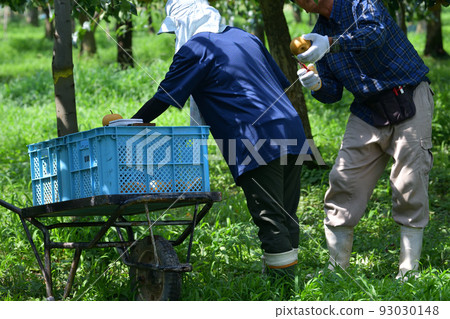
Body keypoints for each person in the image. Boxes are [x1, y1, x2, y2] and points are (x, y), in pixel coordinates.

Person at [132, 0, 311, 281]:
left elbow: (163, 97)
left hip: (255, 138)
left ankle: (283, 292)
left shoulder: (196, 48)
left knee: (270, 218)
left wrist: (130, 124)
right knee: (286, 214)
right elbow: (278, 80)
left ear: (182, 24)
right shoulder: (246, 37)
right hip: (291, 130)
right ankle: (292, 281)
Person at [290, 0, 434, 279]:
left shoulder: (360, 3)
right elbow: (333, 93)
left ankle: (409, 271)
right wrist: (317, 84)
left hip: (409, 95)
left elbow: (375, 31)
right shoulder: (318, 34)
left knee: (410, 180)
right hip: (368, 108)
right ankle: (335, 270)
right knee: (344, 179)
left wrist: (331, 43)